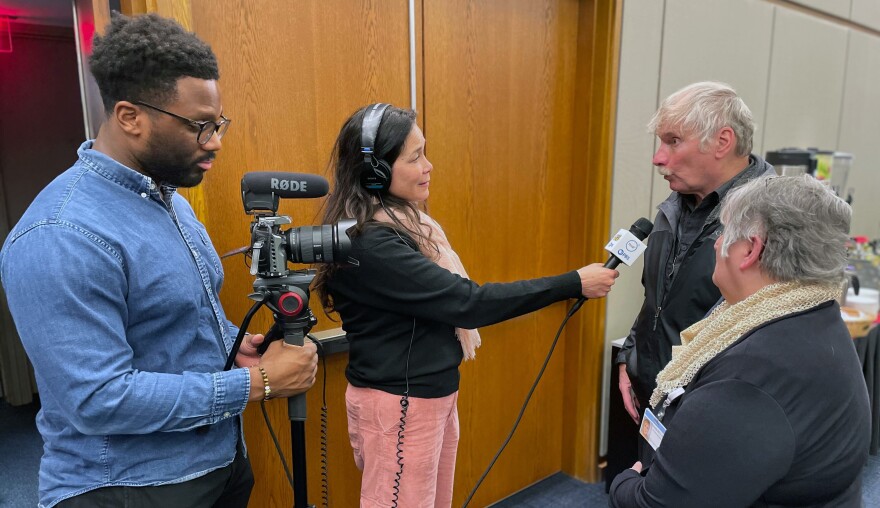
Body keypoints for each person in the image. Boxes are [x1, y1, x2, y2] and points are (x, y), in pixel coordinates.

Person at [0, 13, 317, 508]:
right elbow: (98, 399)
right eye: (200, 126)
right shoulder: (61, 234)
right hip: (128, 488)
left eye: (219, 123)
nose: (215, 141)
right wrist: (257, 382)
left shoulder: (172, 201)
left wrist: (232, 347)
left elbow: (172, 323)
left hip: (219, 464)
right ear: (130, 116)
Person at [311, 103, 619, 507]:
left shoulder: (405, 225)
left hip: (427, 398)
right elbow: (466, 302)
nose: (429, 166)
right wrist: (572, 283)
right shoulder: (370, 243)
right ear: (376, 171)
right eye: (415, 156)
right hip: (401, 406)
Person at [609, 175, 871, 507]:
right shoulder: (814, 315)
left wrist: (625, 482)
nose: (717, 245)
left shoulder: (748, 379)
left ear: (749, 249)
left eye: (722, 233)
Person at [615, 82, 776, 443]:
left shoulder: (772, 220)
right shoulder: (674, 208)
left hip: (716, 414)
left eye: (673, 141)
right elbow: (655, 299)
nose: (658, 157)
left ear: (722, 142)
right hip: (655, 395)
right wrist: (630, 357)